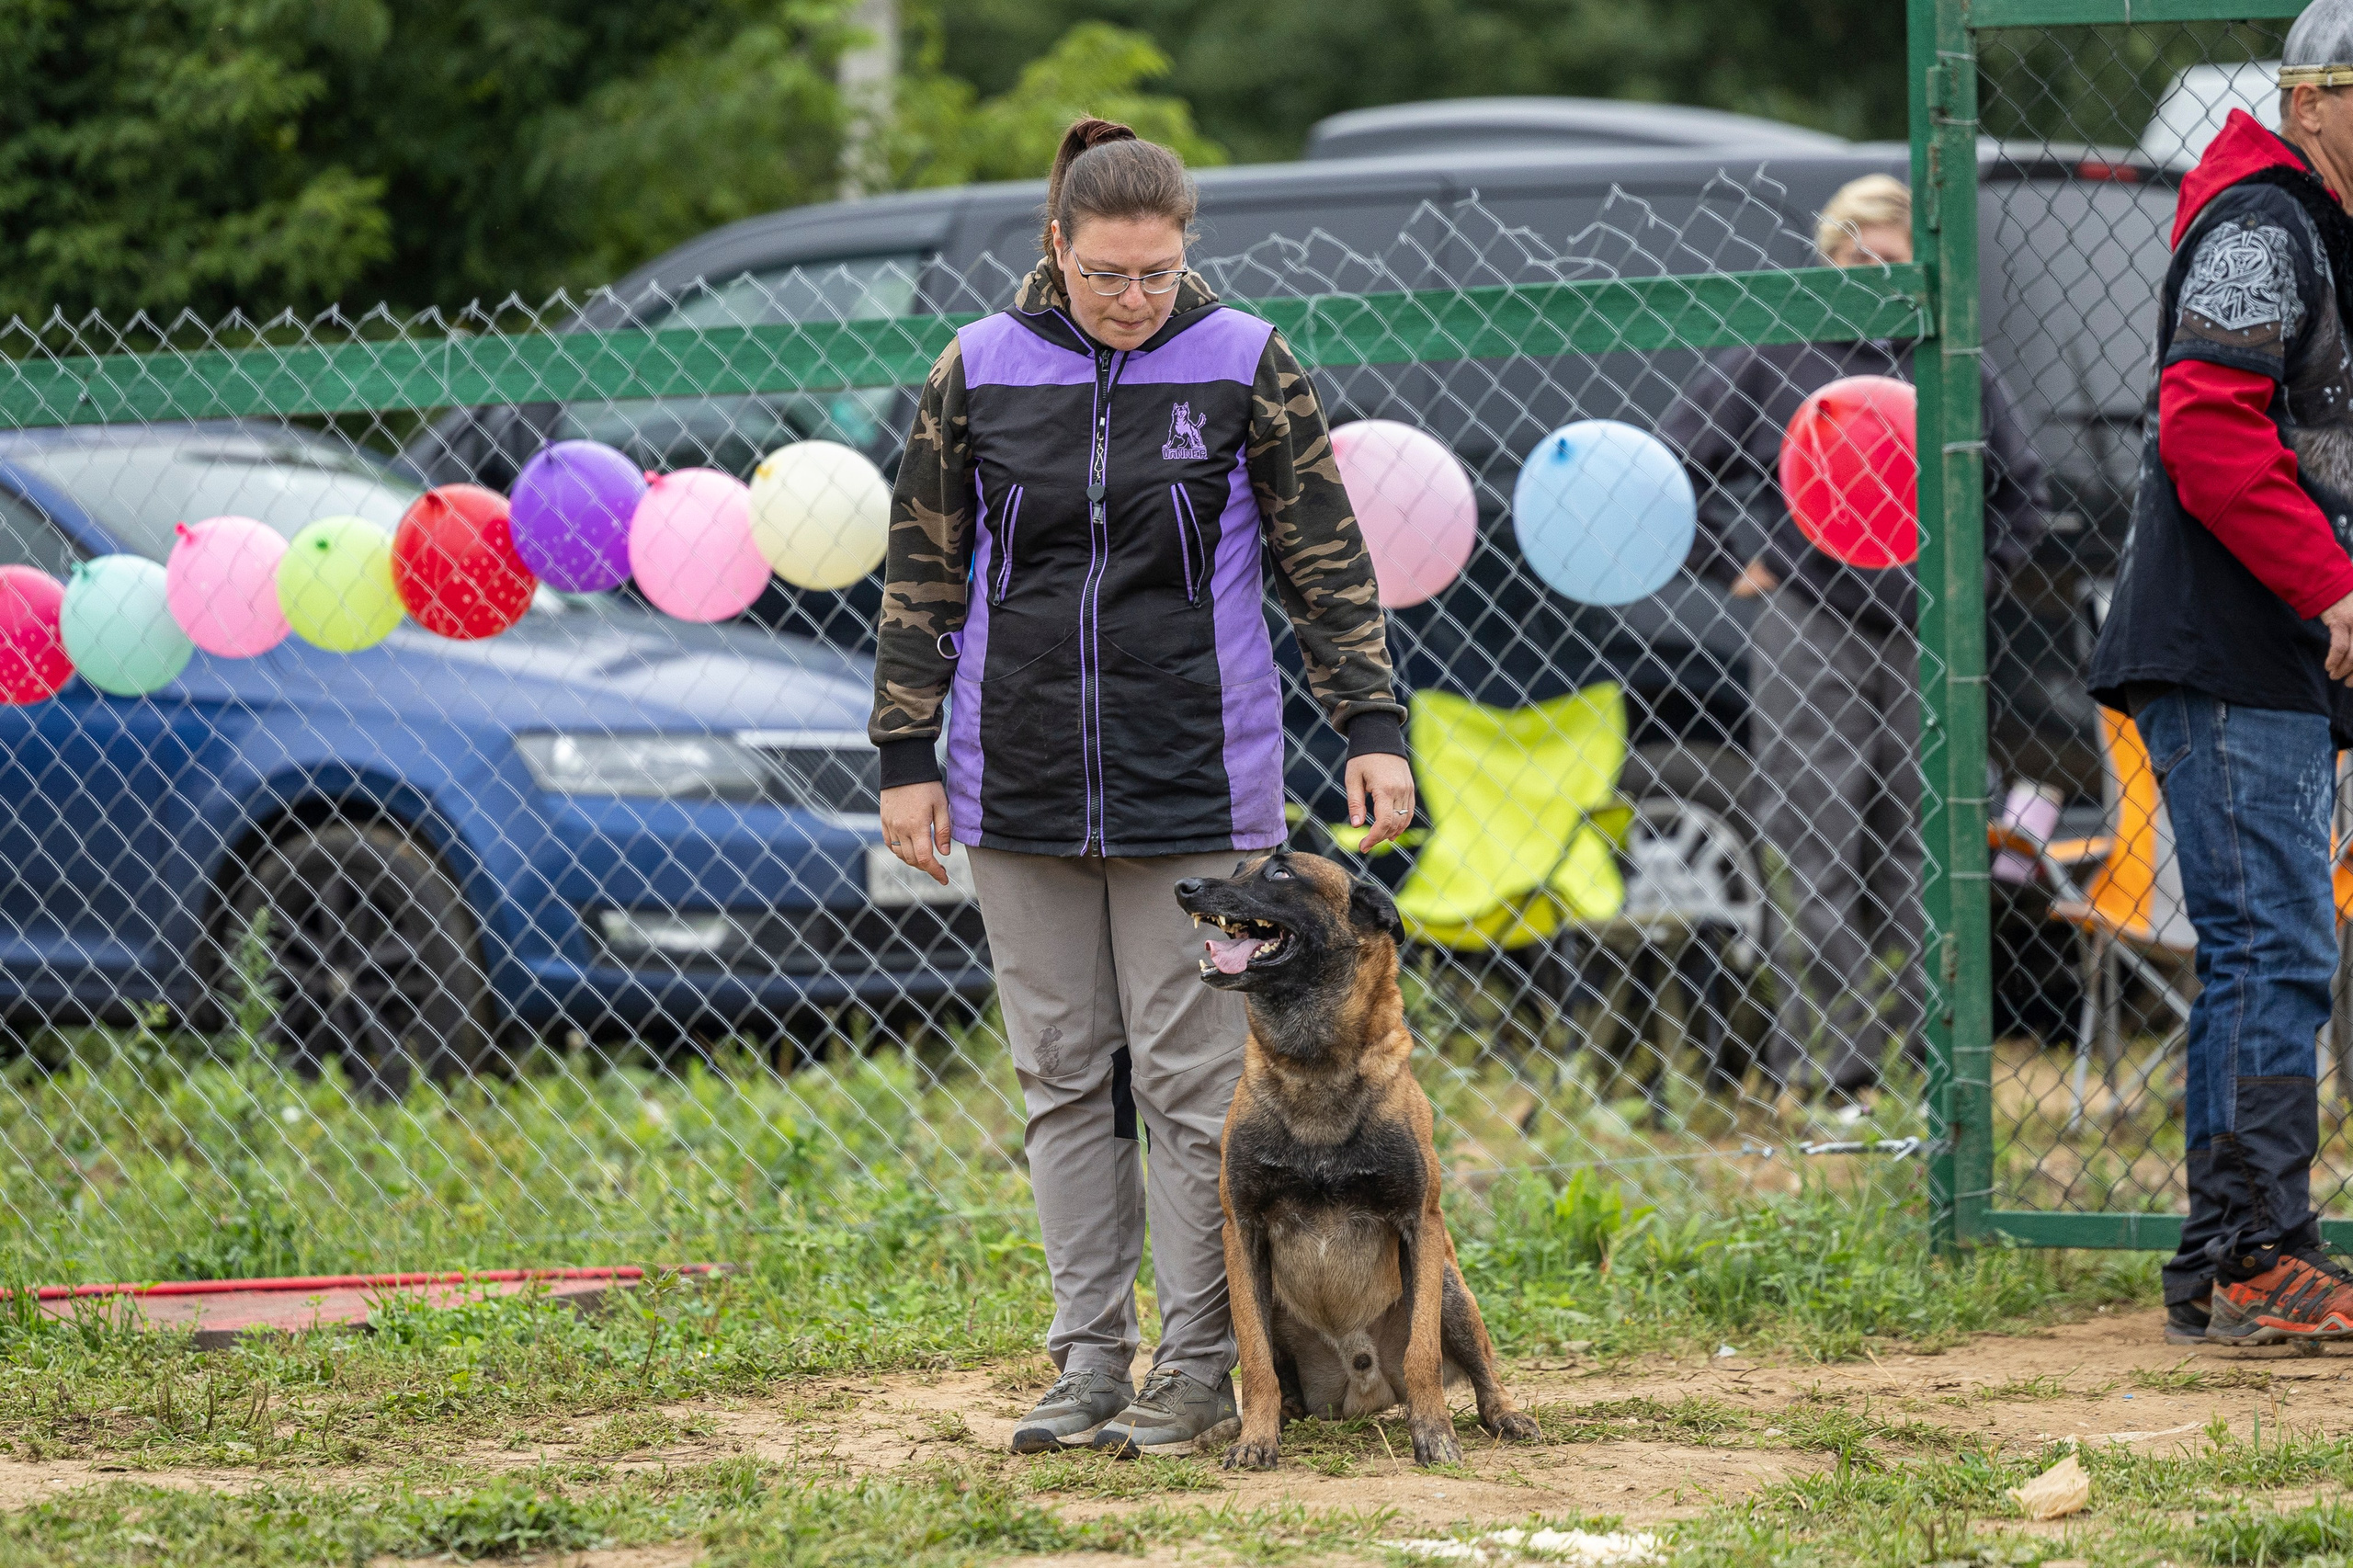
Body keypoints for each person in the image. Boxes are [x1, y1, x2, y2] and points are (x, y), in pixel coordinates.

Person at [869, 118, 1415, 1451]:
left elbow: (1324, 557)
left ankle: (1190, 1368)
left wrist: (1372, 720)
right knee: (1061, 1077)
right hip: (1019, 782)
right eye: (1106, 273)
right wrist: (906, 753)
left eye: (1156, 274)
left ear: (1187, 255)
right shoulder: (978, 369)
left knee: (1184, 1091)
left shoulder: (1244, 362)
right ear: (1055, 247)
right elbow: (924, 569)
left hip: (1199, 787)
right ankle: (1084, 1361)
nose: (1131, 300)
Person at [1659, 175, 2047, 1103]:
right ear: (1830, 260)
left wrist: (1970, 582)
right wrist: (1729, 562)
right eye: (1858, 258)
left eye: (1894, 259)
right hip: (1809, 624)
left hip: (1926, 633)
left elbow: (2023, 494)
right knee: (1813, 840)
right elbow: (1672, 464)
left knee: (1923, 843)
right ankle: (1831, 1071)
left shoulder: (1954, 362)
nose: (1875, 275)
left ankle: (1934, 1065)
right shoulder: (1779, 354)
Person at [2087, 3, 2353, 1346]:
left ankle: (2236, 1256)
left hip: (2275, 649)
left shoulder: (2320, 226)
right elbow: (2207, 428)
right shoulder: (2263, 226)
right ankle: (2252, 1259)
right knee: (2274, 944)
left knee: (2274, 943)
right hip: (2228, 641)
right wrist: (2335, 584)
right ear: (2313, 104)